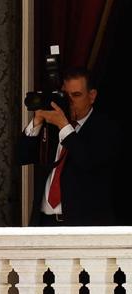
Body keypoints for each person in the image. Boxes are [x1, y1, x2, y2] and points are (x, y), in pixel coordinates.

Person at [17, 67, 120, 226]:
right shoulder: (53, 126)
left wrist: (64, 127)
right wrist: (37, 121)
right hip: (44, 222)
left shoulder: (106, 128)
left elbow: (88, 161)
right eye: (66, 95)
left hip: (82, 225)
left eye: (76, 95)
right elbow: (22, 156)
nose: (70, 101)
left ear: (92, 96)